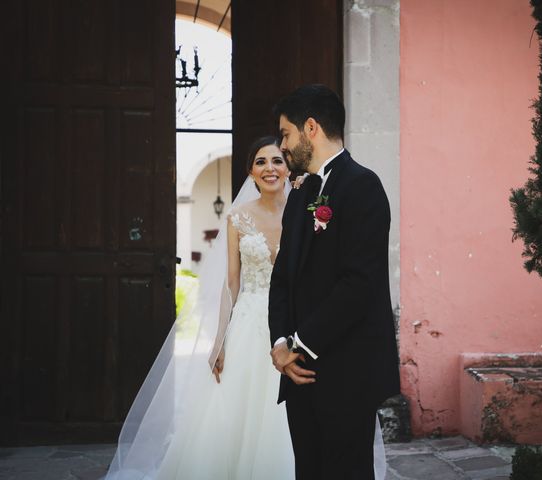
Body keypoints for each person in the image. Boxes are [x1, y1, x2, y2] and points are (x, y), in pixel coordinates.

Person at [105, 136, 295, 480]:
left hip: (291, 324)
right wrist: (219, 340)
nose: (270, 168)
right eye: (261, 162)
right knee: (239, 409)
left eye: (277, 161)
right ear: (251, 173)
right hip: (250, 322)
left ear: (288, 168)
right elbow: (231, 283)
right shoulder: (237, 218)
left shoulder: (303, 215)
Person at [269, 84, 401, 480]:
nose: (283, 146)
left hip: (347, 371)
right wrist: (279, 343)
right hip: (299, 372)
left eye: (286, 134)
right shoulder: (300, 193)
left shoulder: (363, 186)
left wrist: (299, 343)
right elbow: (282, 277)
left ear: (311, 128)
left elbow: (358, 284)